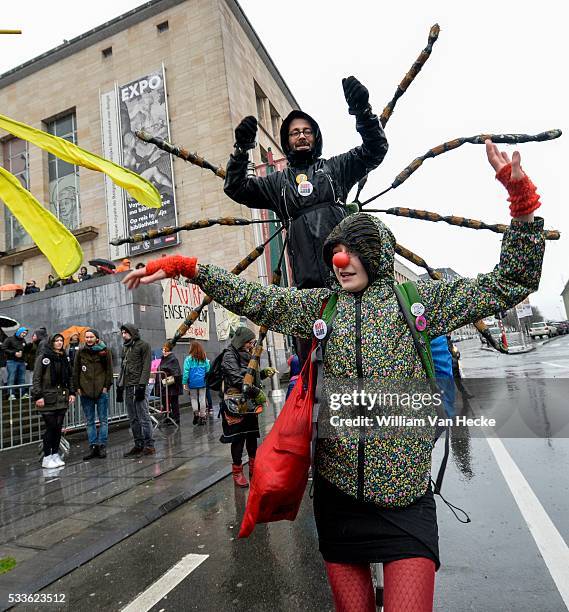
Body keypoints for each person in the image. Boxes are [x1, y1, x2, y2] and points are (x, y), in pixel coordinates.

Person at [124, 141, 545, 610]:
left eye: (350, 251)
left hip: (405, 499)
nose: (339, 261)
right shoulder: (322, 308)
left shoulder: (419, 304)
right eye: (334, 252)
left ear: (374, 253)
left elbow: (514, 280)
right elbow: (254, 297)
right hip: (339, 500)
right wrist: (184, 266)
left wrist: (521, 201)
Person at [224, 76, 388, 291]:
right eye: (295, 132)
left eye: (307, 131)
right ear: (287, 140)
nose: (301, 136)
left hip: (347, 280)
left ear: (316, 137)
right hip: (308, 291)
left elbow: (375, 149)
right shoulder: (278, 184)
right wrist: (242, 150)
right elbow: (236, 188)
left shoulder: (336, 169)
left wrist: (363, 112)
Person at [218, 327, 276, 487]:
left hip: (249, 403)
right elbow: (237, 379)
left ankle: (253, 468)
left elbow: (249, 374)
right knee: (238, 439)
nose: (251, 345)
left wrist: (262, 373)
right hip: (236, 404)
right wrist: (257, 392)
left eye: (252, 342)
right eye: (249, 342)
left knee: (251, 436)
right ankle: (237, 472)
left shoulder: (248, 353)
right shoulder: (229, 355)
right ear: (241, 341)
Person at [32, 334, 76, 468]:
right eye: (56, 341)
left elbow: (69, 376)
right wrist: (38, 395)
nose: (59, 343)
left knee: (58, 428)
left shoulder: (64, 358)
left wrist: (72, 392)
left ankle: (55, 454)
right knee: (51, 427)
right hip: (47, 397)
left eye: (61, 341)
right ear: (51, 343)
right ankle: (46, 456)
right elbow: (37, 378)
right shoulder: (43, 357)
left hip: (61, 397)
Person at [73, 329, 113, 460]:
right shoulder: (80, 352)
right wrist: (77, 387)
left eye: (91, 337)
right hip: (86, 392)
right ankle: (93, 446)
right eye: (87, 337)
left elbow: (109, 370)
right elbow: (76, 371)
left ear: (97, 338)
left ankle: (102, 446)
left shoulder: (104, 352)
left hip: (101, 391)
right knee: (89, 421)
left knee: (103, 420)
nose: (89, 339)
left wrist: (106, 387)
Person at [118, 323, 154, 457]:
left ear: (132, 332)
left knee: (143, 416)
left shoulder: (143, 345)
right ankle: (138, 444)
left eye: (125, 332)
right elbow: (123, 368)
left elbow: (146, 366)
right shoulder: (125, 348)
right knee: (133, 418)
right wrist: (120, 386)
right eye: (122, 333)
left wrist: (142, 385)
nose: (123, 335)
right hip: (128, 386)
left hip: (139, 385)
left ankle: (149, 445)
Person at [182, 341, 210, 425]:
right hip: (202, 381)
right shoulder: (204, 358)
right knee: (202, 398)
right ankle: (203, 417)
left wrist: (184, 382)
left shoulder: (188, 359)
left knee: (193, 398)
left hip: (192, 382)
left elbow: (186, 372)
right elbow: (208, 370)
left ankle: (196, 414)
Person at [158, 344, 183, 425]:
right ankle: (168, 416)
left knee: (173, 402)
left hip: (172, 384)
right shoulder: (163, 359)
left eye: (166, 350)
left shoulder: (173, 359)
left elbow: (176, 372)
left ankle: (176, 418)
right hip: (165, 384)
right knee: (165, 401)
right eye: (163, 350)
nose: (164, 351)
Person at [3, 326, 28, 400]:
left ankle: (23, 394)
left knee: (22, 379)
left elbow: (25, 351)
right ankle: (11, 394)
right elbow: (3, 348)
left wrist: (25, 359)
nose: (24, 334)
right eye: (23, 333)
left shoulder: (23, 341)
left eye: (25, 333)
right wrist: (14, 353)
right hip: (11, 361)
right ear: (19, 332)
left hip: (21, 362)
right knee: (11, 378)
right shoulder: (9, 339)